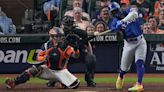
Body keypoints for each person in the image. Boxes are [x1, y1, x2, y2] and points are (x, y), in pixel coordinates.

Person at [5, 27, 80, 89]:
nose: (60, 38)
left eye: (61, 36)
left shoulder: (66, 46)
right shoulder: (46, 45)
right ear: (52, 37)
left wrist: (76, 49)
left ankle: (62, 82)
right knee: (34, 69)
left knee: (75, 84)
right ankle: (14, 82)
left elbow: (75, 56)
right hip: (48, 70)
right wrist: (43, 58)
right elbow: (38, 57)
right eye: (57, 36)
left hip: (61, 71)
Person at [47, 15, 97, 87]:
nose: (68, 27)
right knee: (54, 59)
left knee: (91, 57)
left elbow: (87, 43)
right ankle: (53, 79)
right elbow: (53, 46)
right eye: (66, 25)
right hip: (64, 56)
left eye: (69, 25)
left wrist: (90, 53)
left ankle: (89, 79)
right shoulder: (58, 33)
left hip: (79, 53)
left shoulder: (80, 33)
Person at [107, 2, 147, 91]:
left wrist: (122, 21)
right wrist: (116, 29)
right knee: (124, 68)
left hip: (140, 41)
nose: (116, 13)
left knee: (139, 62)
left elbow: (134, 14)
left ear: (120, 8)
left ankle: (139, 84)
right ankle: (121, 76)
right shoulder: (114, 22)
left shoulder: (128, 10)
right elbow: (118, 35)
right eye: (113, 12)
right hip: (128, 44)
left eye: (116, 10)